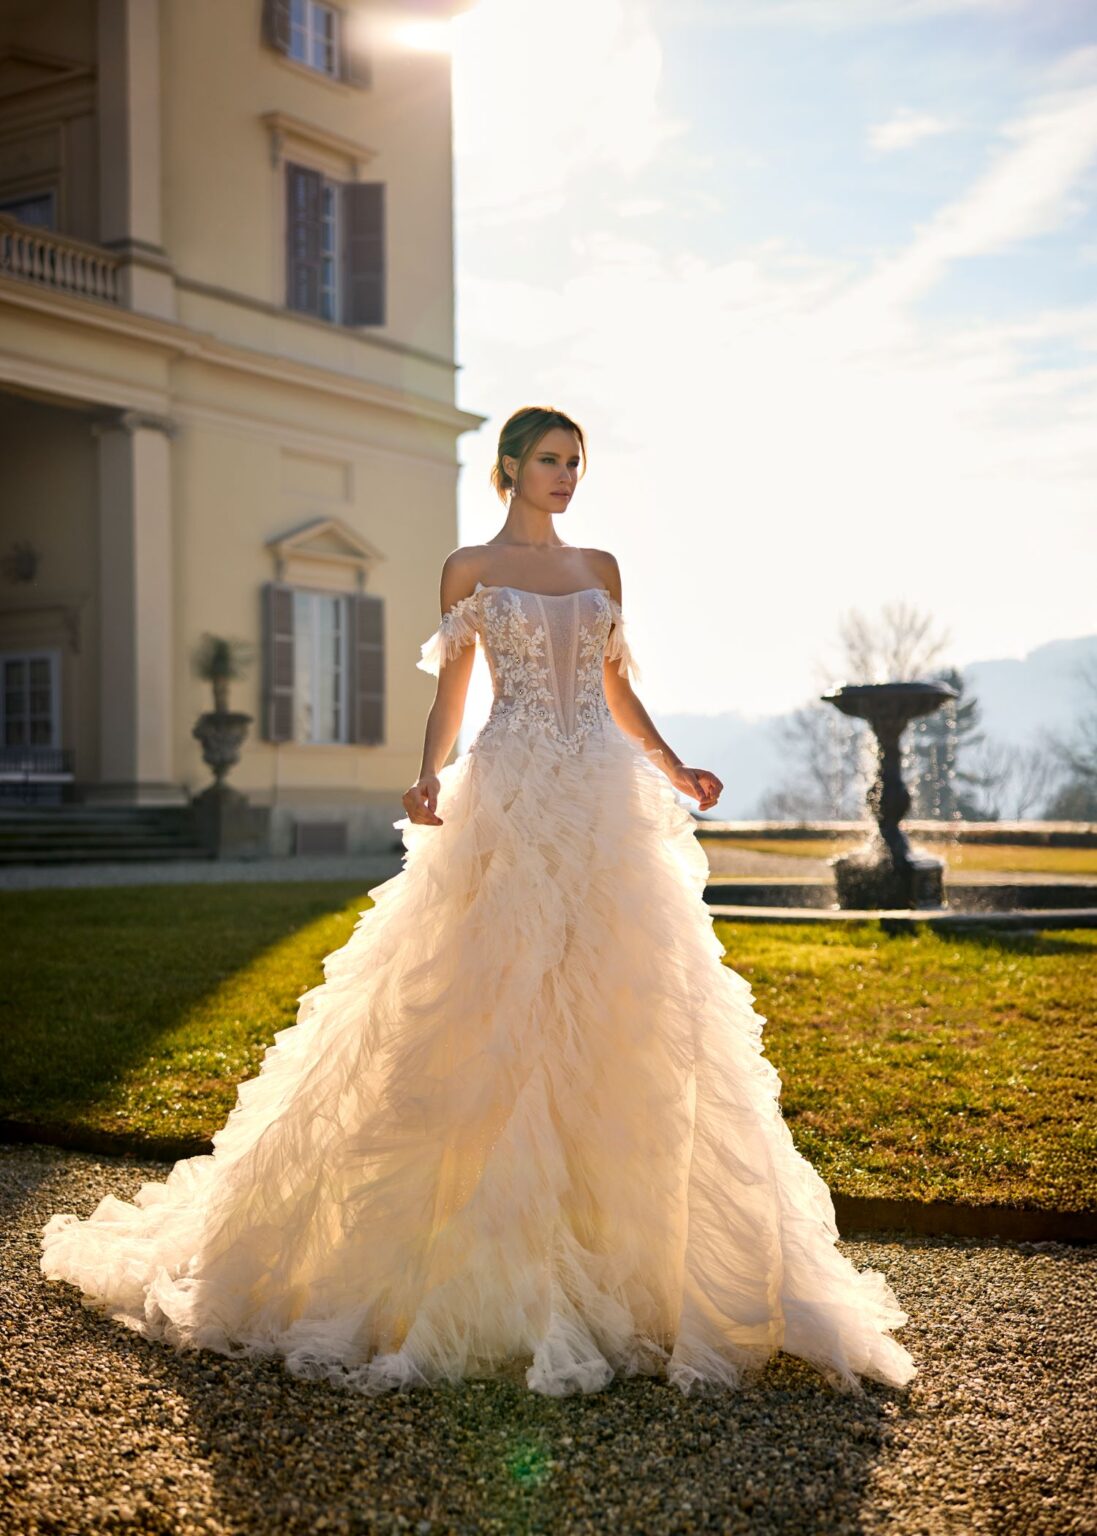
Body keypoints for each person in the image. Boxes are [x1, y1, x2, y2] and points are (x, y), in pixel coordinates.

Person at [40, 405, 916, 1399]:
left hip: (596, 796)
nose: (566, 475)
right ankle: (462, 1265)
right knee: (482, 1003)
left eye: (576, 462)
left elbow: (613, 688)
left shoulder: (602, 569)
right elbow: (453, 690)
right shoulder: (466, 570)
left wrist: (673, 766)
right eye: (549, 459)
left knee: (623, 1008)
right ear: (508, 467)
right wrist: (424, 775)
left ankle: (624, 1265)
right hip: (505, 791)